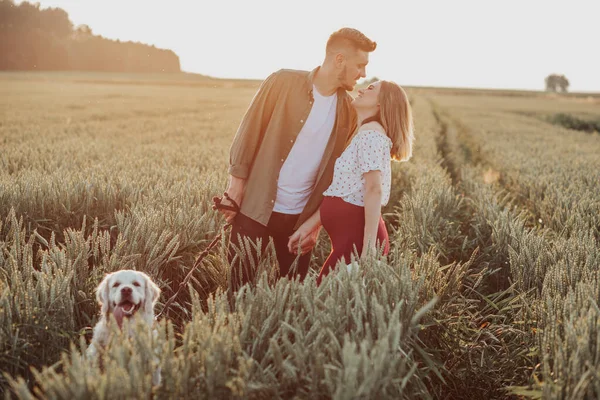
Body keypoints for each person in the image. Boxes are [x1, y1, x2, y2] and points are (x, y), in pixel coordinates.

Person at [216, 28, 377, 295]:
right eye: (360, 65)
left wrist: (315, 224)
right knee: (238, 293)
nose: (362, 74)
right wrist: (235, 189)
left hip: (299, 222)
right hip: (253, 208)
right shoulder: (282, 82)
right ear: (339, 60)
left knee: (293, 297)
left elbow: (338, 178)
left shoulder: (348, 111)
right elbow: (248, 132)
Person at [287, 80, 414, 285]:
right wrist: (308, 226)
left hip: (357, 243)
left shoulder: (371, 135)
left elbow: (374, 190)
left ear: (382, 103)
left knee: (324, 300)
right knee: (329, 302)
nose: (362, 88)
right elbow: (343, 191)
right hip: (350, 240)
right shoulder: (366, 133)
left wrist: (368, 248)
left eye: (371, 88)